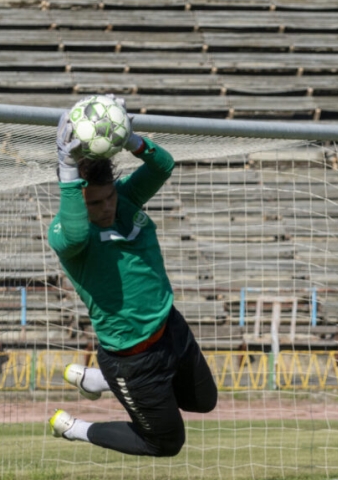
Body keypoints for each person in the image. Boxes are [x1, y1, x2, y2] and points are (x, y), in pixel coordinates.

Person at [46, 96, 218, 458]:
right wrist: (67, 164)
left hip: (171, 328)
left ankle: (96, 381)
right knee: (166, 442)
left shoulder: (123, 201)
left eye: (108, 198)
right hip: (132, 358)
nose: (106, 207)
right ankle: (76, 428)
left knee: (204, 401)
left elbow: (163, 166)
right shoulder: (66, 234)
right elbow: (78, 232)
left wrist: (130, 140)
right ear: (78, 201)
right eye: (95, 203)